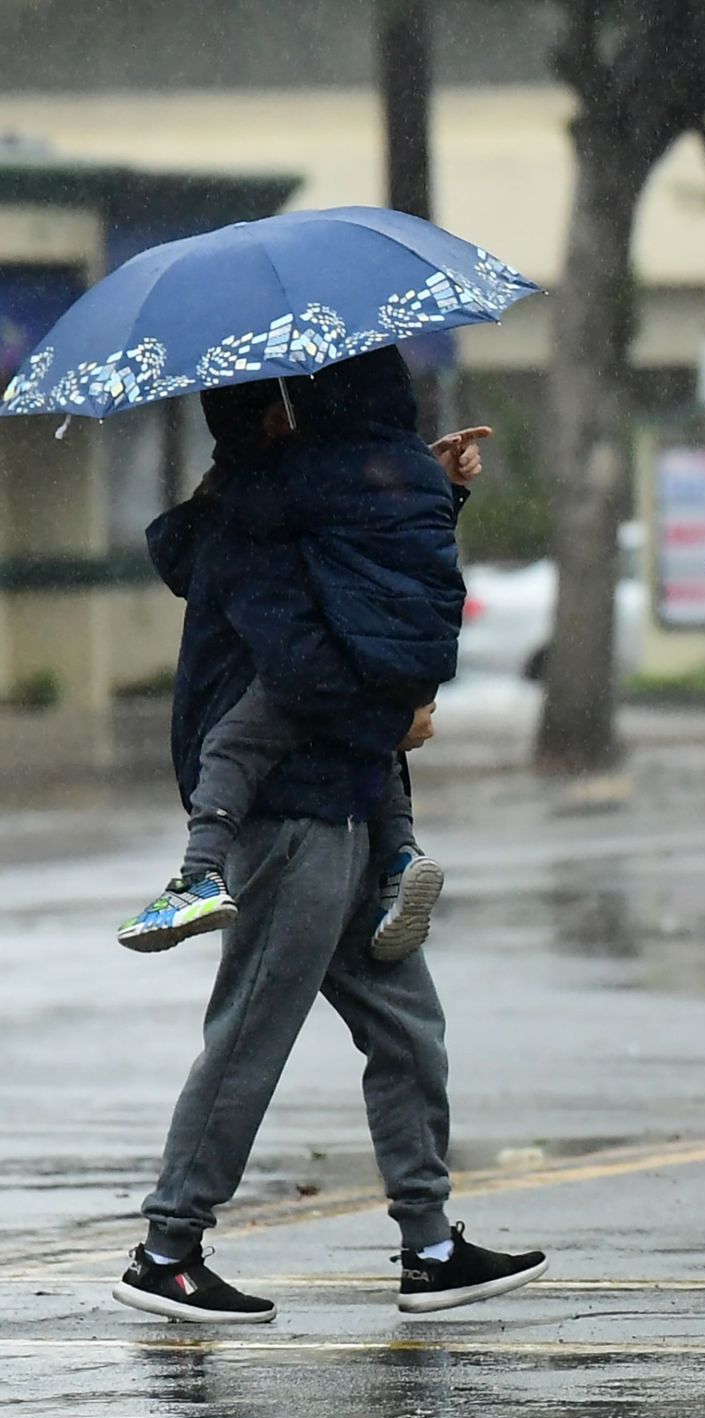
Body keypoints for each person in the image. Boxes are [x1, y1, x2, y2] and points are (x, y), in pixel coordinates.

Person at [109, 354, 545, 1325]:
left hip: (343, 798)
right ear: (275, 422)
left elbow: (376, 594)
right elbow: (307, 667)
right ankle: (166, 1250)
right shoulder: (248, 529)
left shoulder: (296, 509)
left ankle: (430, 1247)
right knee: (250, 1040)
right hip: (290, 816)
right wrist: (387, 718)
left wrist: (431, 494)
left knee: (408, 1034)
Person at [114, 353, 486, 963]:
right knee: (409, 1044)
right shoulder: (391, 475)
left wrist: (242, 474)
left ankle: (200, 872)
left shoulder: (277, 495)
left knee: (233, 745)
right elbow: (384, 527)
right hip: (396, 678)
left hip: (301, 796)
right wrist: (426, 470)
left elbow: (301, 670)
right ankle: (402, 854)